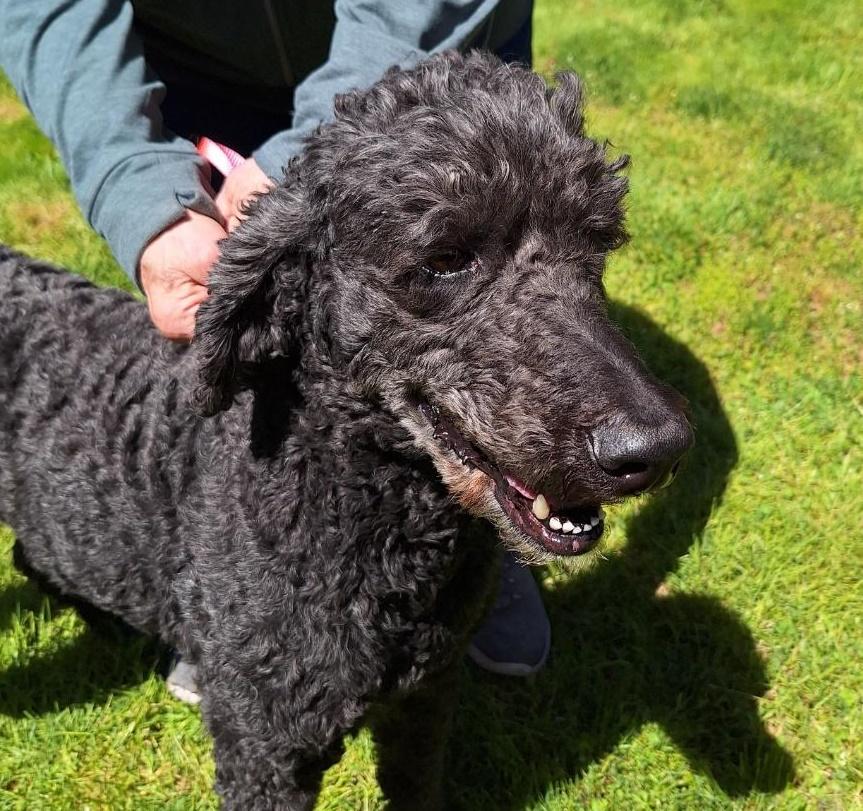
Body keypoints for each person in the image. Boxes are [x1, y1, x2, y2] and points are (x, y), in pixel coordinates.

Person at [0, 0, 550, 697]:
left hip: (435, 56)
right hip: (202, 65)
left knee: (478, 311)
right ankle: (237, 589)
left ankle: (488, 532)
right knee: (281, 356)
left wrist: (311, 157)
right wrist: (135, 185)